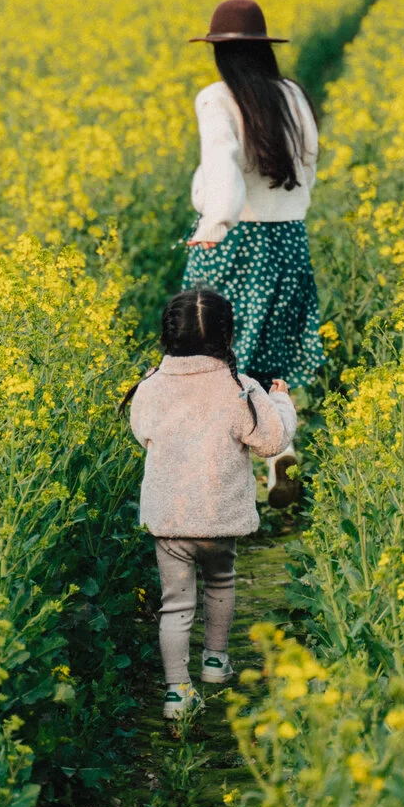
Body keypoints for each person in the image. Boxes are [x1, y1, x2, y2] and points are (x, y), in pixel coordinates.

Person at [129, 288, 291, 719]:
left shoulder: (150, 386)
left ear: (168, 335)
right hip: (220, 519)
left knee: (176, 604)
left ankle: (176, 692)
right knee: (221, 583)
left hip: (172, 522)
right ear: (228, 336)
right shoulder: (240, 388)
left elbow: (142, 432)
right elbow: (272, 440)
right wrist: (282, 402)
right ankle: (216, 662)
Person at [183, 0, 324, 414]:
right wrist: (292, 207)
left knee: (214, 348)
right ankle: (280, 452)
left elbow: (222, 164)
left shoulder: (216, 97)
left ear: (220, 52)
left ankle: (225, 452)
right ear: (264, 48)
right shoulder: (293, 95)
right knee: (272, 351)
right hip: (287, 239)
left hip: (235, 240)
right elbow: (309, 161)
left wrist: (214, 223)